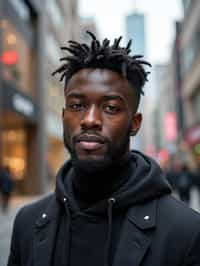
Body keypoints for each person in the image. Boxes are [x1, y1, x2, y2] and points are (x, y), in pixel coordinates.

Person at [8, 32, 200, 266]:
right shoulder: (28, 222)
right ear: (63, 116)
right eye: (77, 105)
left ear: (135, 123)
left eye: (110, 107)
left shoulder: (186, 232)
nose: (89, 119)